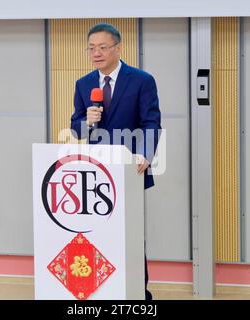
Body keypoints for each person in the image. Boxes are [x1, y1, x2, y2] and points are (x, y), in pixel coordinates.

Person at [70, 23, 161, 300]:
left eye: (102, 47)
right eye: (91, 48)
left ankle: (137, 293)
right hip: (97, 174)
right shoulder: (84, 84)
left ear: (118, 48)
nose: (96, 53)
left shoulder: (141, 80)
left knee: (130, 234)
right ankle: (101, 290)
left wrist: (145, 153)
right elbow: (76, 127)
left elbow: (150, 121)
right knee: (99, 233)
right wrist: (87, 121)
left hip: (130, 170)